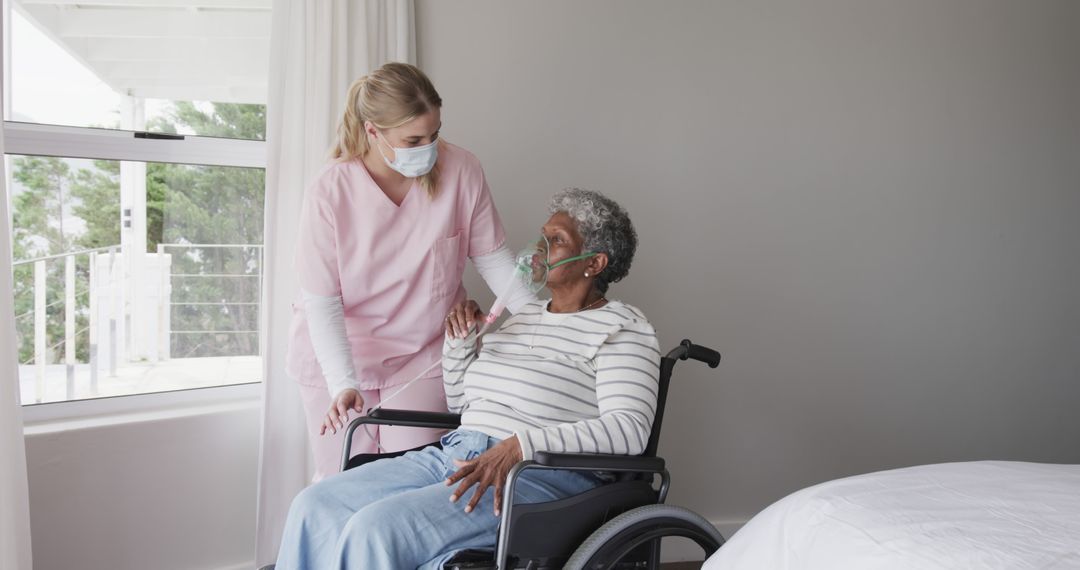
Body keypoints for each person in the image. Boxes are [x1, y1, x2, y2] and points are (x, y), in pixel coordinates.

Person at [276, 189, 661, 569]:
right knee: (314, 505)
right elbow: (463, 405)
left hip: (534, 476)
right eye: (542, 235)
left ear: (594, 263)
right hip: (457, 455)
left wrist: (520, 446)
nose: (538, 247)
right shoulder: (525, 317)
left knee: (374, 530)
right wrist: (459, 343)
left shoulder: (622, 329)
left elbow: (628, 431)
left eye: (556, 240)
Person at [287, 62, 533, 480]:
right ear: (372, 132)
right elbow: (323, 303)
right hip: (340, 357)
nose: (429, 148)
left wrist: (544, 321)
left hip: (421, 355)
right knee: (343, 484)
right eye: (413, 140)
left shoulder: (462, 169)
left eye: (434, 134)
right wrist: (343, 383)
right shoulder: (330, 191)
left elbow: (493, 259)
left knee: (417, 480)